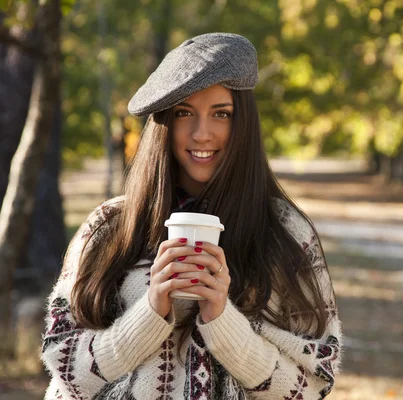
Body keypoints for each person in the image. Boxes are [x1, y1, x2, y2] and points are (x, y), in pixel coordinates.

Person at [41, 33, 342, 399]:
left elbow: (312, 385)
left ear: (244, 123)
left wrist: (222, 319)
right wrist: (151, 311)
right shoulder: (108, 228)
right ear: (163, 123)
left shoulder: (286, 233)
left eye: (222, 114)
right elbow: (64, 367)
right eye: (185, 113)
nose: (202, 134)